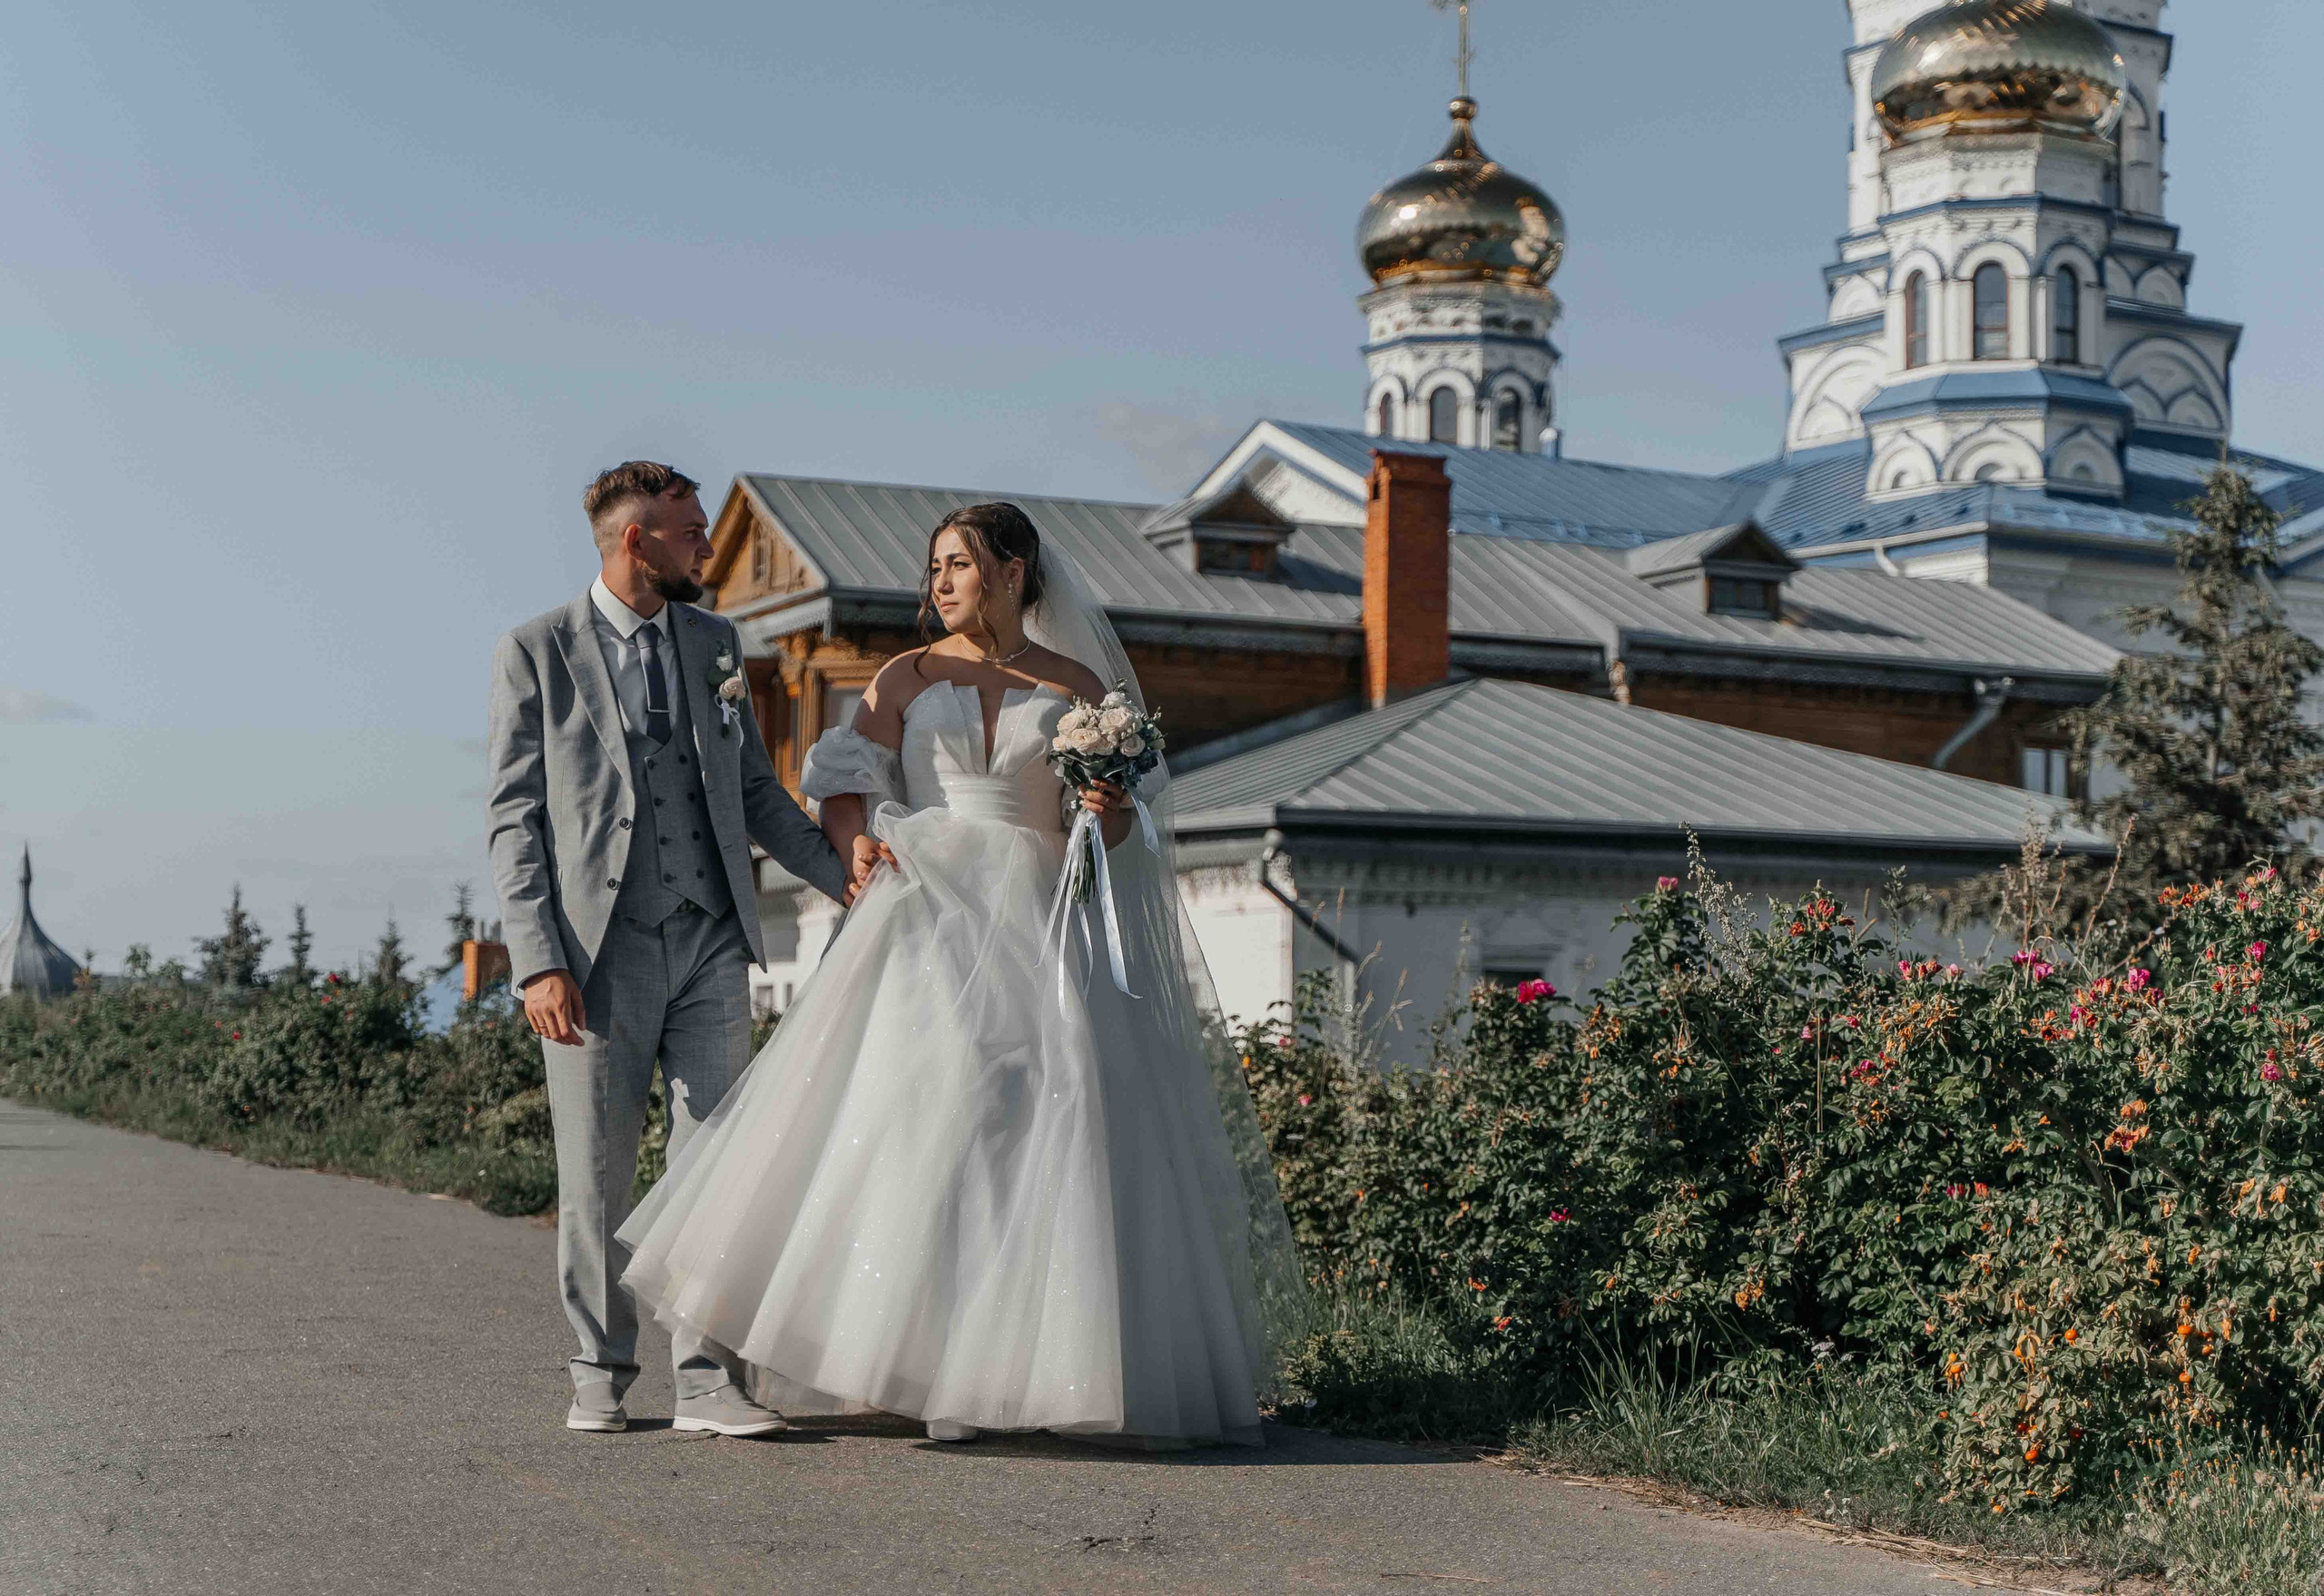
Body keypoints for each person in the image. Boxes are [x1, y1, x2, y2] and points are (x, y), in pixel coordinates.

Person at [618, 501, 1302, 1446]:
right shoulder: (903, 675)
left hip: (1032, 916)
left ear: (1014, 572)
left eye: (959, 565)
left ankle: (1008, 1371)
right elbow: (845, 787)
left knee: (1026, 1120)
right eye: (932, 566)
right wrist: (856, 850)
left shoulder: (1078, 685)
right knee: (921, 1118)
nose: (938, 583)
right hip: (925, 908)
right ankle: (919, 1365)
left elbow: (1100, 833)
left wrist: (1105, 808)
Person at [487, 460, 857, 1437]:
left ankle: (705, 1380)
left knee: (714, 1172)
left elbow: (752, 793)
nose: (705, 545)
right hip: (592, 957)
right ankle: (599, 1374)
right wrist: (535, 960)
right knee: (598, 1177)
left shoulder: (712, 641)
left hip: (709, 942)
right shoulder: (537, 650)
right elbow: (513, 820)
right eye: (690, 531)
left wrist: (847, 878)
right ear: (633, 540)